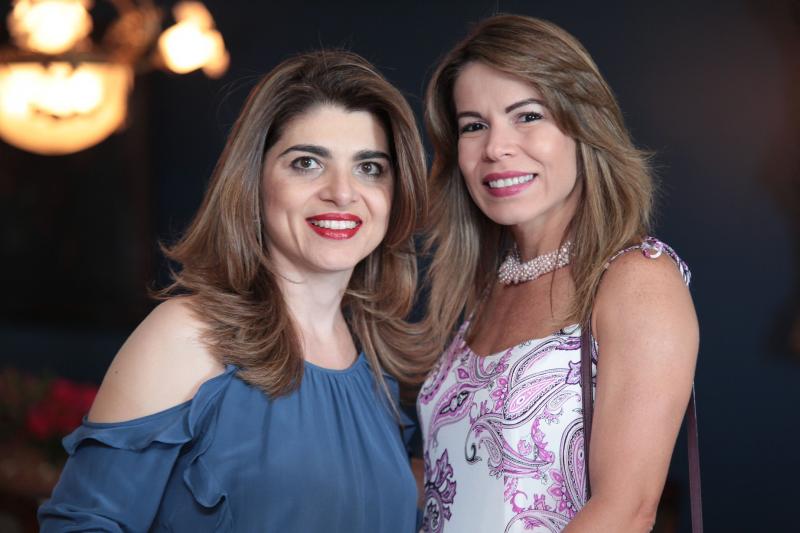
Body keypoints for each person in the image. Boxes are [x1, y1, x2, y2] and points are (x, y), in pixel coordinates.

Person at [39, 49, 427, 532]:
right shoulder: (188, 335)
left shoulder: (379, 371)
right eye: (307, 163)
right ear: (254, 181)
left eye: (370, 168)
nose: (342, 192)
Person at [416, 14, 699, 533]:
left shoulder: (637, 279)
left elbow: (626, 511)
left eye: (527, 116)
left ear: (583, 125)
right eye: (474, 125)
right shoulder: (486, 289)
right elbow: (458, 478)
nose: (496, 147)